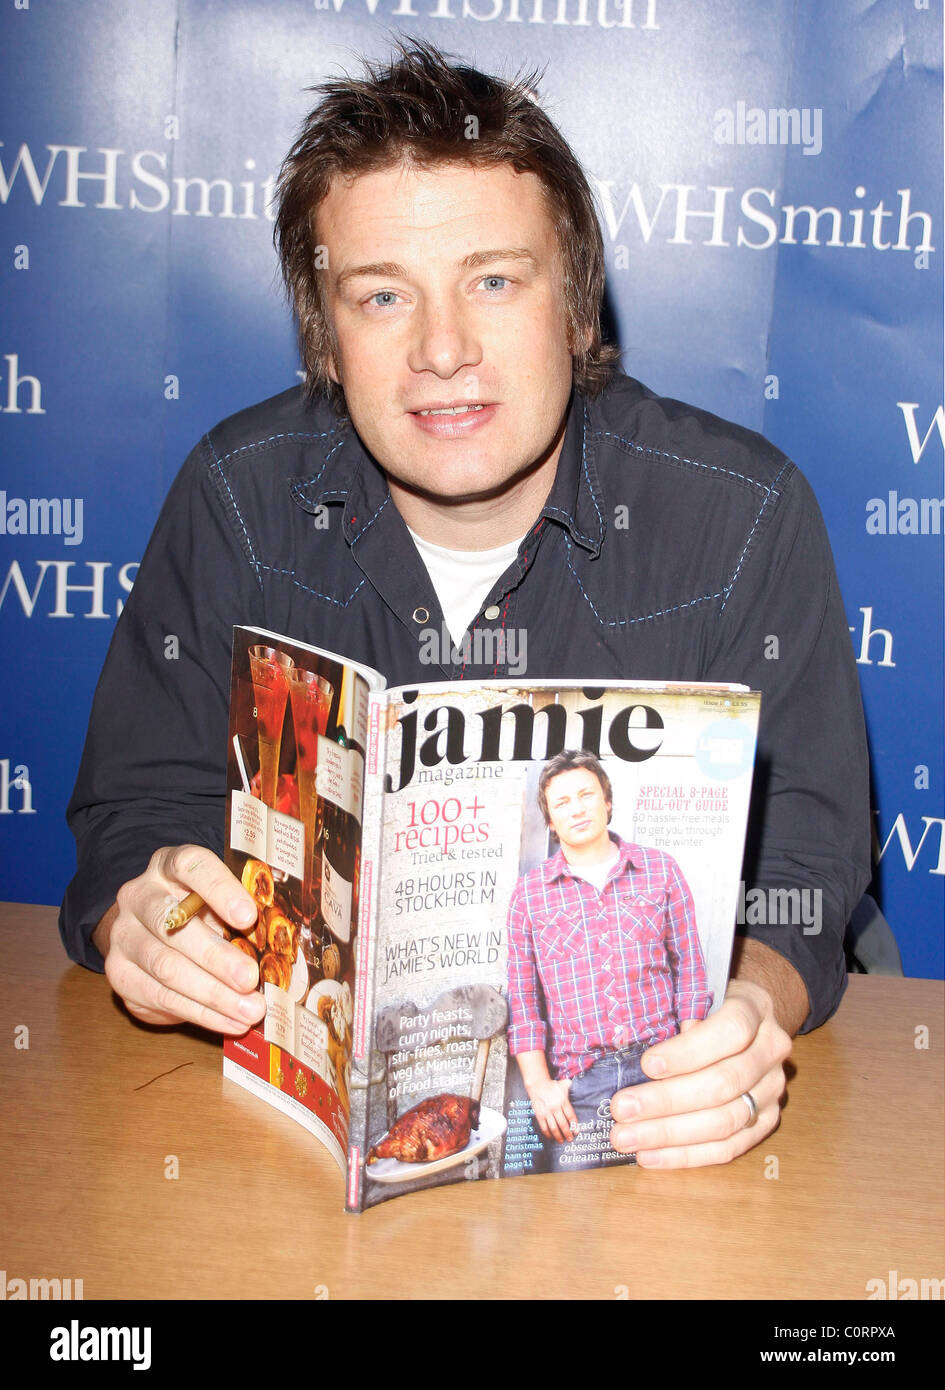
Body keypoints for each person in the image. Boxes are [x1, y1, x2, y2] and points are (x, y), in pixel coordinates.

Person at [59, 40, 871, 1170]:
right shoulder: (234, 495)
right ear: (325, 341)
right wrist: (142, 924)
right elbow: (136, 814)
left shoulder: (744, 514)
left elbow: (806, 875)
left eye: (495, 280)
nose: (443, 352)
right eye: (383, 295)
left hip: (631, 1142)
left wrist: (745, 1015)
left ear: (579, 311)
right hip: (283, 1147)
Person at [507, 751, 713, 1170]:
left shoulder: (660, 870)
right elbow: (523, 1001)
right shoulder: (529, 896)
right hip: (580, 1086)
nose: (577, 808)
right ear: (550, 821)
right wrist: (540, 1086)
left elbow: (690, 972)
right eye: (562, 802)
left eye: (587, 794)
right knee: (576, 1215)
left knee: (674, 1194)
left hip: (660, 1066)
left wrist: (688, 1064)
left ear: (608, 803)